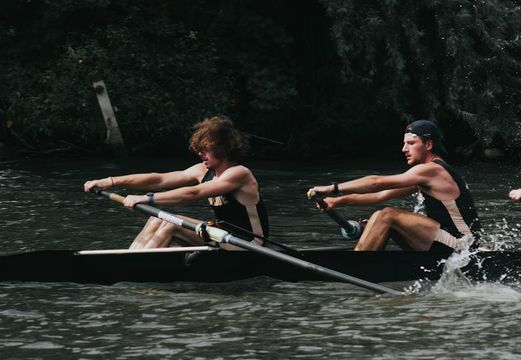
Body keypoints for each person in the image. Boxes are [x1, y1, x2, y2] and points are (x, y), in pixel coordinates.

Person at [82, 115, 269, 249]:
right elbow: (159, 179)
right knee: (157, 217)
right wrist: (111, 181)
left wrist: (146, 199)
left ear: (224, 148)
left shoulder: (239, 174)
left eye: (205, 149)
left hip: (250, 244)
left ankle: (138, 266)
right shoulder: (202, 170)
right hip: (221, 234)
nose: (200, 154)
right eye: (199, 149)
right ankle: (131, 256)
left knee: (172, 223)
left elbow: (192, 194)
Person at [306, 120, 480, 253]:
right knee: (379, 215)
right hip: (447, 242)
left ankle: (357, 264)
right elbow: (379, 196)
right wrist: (337, 202)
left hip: (463, 247)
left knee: (388, 215)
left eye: (411, 143)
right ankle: (361, 256)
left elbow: (376, 183)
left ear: (428, 145)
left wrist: (332, 189)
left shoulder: (432, 170)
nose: (404, 149)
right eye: (404, 143)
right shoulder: (426, 176)